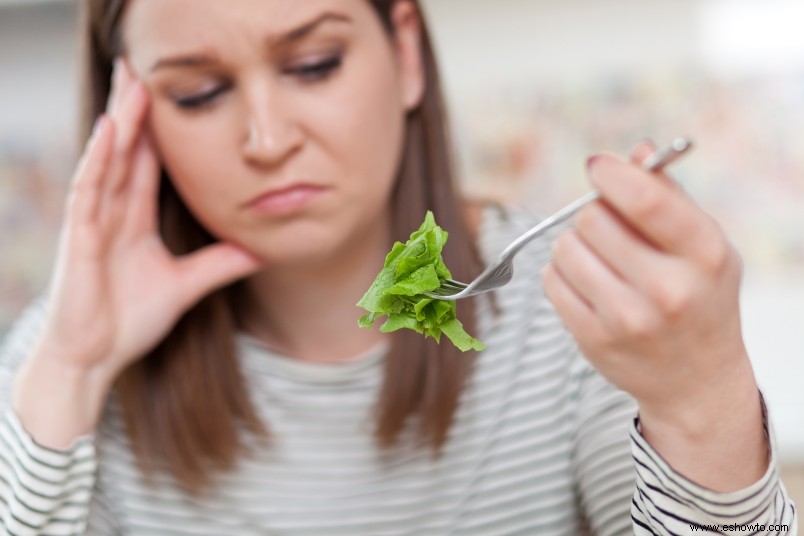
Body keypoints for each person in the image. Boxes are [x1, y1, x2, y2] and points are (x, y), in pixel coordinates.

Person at [0, 0, 797, 534]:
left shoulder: (577, 306)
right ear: (129, 114)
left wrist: (703, 404)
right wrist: (69, 369)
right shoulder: (64, 353)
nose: (267, 139)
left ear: (406, 50)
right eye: (201, 92)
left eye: (313, 64)